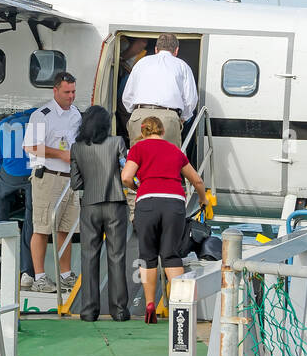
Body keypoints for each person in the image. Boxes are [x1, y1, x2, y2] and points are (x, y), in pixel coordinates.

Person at [123, 115, 210, 324]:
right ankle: (180, 307)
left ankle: (150, 303)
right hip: (174, 203)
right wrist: (203, 199)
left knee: (147, 256)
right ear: (163, 131)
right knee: (171, 255)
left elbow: (126, 177)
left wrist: (138, 188)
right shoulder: (175, 151)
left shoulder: (138, 149)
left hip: (148, 203)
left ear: (142, 132)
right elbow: (197, 180)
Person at [69, 105, 130, 321]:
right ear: (106, 124)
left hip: (90, 206)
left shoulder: (77, 148)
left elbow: (75, 183)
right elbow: (127, 173)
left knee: (89, 257)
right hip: (115, 203)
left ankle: (88, 311)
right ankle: (119, 311)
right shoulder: (117, 143)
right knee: (116, 256)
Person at [23, 72, 82, 293]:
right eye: (67, 92)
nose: (71, 96)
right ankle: (39, 276)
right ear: (55, 91)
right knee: (42, 228)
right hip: (48, 176)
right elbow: (30, 146)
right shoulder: (42, 115)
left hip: (69, 179)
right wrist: (60, 154)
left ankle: (65, 274)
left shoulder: (76, 114)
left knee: (65, 228)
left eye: (74, 91)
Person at [121, 32, 198, 151]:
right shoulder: (183, 66)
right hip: (169, 118)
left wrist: (135, 113)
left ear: (156, 49)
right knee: (167, 163)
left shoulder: (141, 63)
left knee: (140, 161)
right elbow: (190, 100)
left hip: (140, 116)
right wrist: (182, 117)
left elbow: (127, 96)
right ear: (176, 50)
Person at [0, 107, 36, 289]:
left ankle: (1, 224)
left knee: (0, 192)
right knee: (31, 220)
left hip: (11, 175)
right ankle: (28, 272)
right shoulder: (39, 122)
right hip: (33, 176)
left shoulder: (2, 125)